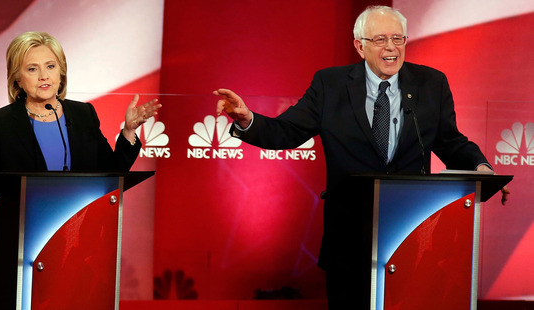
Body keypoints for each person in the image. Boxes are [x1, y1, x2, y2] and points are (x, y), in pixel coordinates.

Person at [214, 5, 509, 309]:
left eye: (398, 38)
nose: (392, 47)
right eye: (381, 39)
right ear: (360, 46)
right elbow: (287, 131)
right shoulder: (331, 85)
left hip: (412, 235)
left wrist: (480, 165)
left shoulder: (430, 84)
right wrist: (247, 118)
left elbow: (450, 141)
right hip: (349, 239)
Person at [0, 31, 161, 309]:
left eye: (50, 66)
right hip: (18, 251)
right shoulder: (0, 123)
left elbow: (110, 172)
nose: (44, 76)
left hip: (76, 251)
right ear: (17, 78)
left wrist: (128, 131)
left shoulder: (83, 114)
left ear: (61, 73)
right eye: (32, 68)